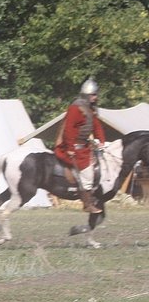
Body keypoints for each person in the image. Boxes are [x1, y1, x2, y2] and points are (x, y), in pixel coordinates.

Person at [54, 78, 105, 213]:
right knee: (87, 174)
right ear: (86, 95)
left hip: (85, 148)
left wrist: (101, 141)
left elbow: (96, 126)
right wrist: (70, 149)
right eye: (93, 94)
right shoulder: (75, 108)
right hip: (71, 149)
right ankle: (87, 204)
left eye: (96, 94)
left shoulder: (90, 109)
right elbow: (69, 129)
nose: (96, 97)